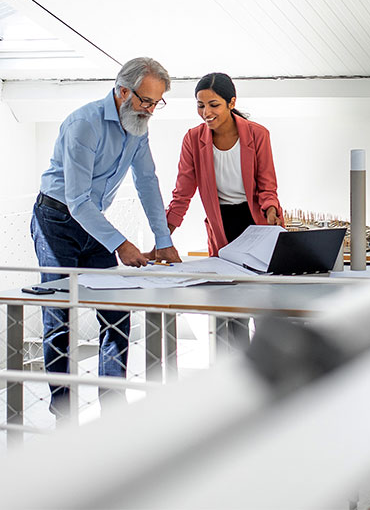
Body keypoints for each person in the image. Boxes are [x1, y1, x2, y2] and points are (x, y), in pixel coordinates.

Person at [31, 57, 181, 417]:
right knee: (60, 314)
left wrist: (163, 238)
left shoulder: (138, 126)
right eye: (145, 101)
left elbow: (147, 182)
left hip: (93, 220)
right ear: (123, 91)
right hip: (57, 219)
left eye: (156, 102)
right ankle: (63, 411)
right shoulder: (85, 125)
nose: (150, 110)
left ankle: (114, 408)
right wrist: (120, 244)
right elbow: (77, 200)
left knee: (116, 313)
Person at [151, 72, 283, 344]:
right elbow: (182, 195)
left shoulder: (258, 135)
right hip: (222, 228)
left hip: (257, 224)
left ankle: (266, 370)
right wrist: (163, 239)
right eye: (200, 105)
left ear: (231, 103)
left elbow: (267, 186)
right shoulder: (193, 139)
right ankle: (235, 375)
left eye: (214, 105)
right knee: (230, 311)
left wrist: (271, 211)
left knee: (262, 303)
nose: (206, 112)